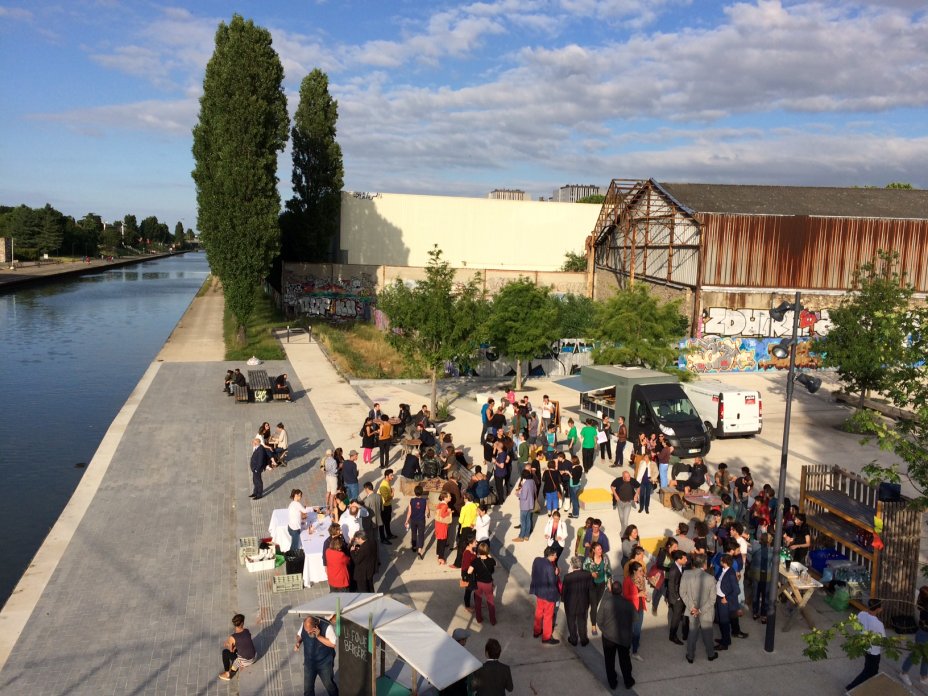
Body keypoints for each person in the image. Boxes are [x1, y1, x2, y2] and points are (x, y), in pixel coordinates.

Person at [679, 553, 719, 663]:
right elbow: (712, 599)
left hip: (692, 611)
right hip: (706, 612)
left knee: (692, 634)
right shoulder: (711, 578)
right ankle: (710, 654)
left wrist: (692, 607)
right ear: (704, 564)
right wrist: (700, 610)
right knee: (708, 634)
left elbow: (682, 593)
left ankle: (690, 656)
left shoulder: (686, 574)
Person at [597, 580, 636, 690]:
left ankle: (612, 682)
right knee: (625, 660)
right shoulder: (628, 604)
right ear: (621, 591)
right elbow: (635, 618)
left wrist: (604, 631)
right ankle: (628, 681)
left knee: (609, 661)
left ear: (611, 591)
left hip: (608, 638)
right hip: (624, 637)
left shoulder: (606, 603)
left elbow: (599, 620)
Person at [846, 599, 885, 691]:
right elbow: (882, 639)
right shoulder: (879, 624)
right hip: (874, 651)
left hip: (865, 646)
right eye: (881, 607)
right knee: (868, 671)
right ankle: (851, 687)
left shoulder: (861, 614)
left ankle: (871, 685)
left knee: (872, 669)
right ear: (878, 609)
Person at [295, 615, 339, 696]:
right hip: (309, 664)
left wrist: (319, 636)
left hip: (324, 664)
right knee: (308, 690)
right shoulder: (305, 625)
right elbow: (299, 635)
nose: (308, 633)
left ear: (316, 626)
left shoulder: (327, 627)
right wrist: (298, 642)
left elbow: (333, 644)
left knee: (329, 686)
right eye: (307, 631)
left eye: (310, 631)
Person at [530, 547, 562, 644]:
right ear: (550, 555)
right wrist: (556, 574)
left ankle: (537, 631)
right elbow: (553, 582)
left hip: (539, 591)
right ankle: (546, 637)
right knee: (548, 616)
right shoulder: (550, 567)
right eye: (555, 555)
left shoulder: (537, 560)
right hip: (549, 595)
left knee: (539, 611)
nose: (556, 557)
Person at [900, 586, 928, 686]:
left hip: (925, 634)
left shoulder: (925, 605)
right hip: (923, 635)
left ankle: (924, 676)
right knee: (915, 655)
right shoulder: (925, 610)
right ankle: (904, 672)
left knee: (926, 656)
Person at [562, 555, 593, 646]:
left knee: (571, 621)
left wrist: (564, 600)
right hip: (583, 603)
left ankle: (573, 639)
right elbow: (591, 589)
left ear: (572, 565)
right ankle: (583, 639)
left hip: (570, 604)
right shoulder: (587, 575)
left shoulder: (567, 577)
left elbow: (564, 592)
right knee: (582, 622)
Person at [584, 541, 612, 638]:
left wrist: (609, 583)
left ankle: (593, 614)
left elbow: (608, 571)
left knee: (596, 604)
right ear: (593, 550)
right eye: (598, 549)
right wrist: (590, 574)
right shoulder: (588, 560)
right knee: (594, 605)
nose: (601, 550)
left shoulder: (604, 558)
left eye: (601, 549)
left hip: (601, 584)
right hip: (592, 585)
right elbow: (584, 571)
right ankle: (593, 625)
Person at [218, 613, 256, 681]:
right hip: (254, 657)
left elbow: (231, 651)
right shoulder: (246, 630)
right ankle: (238, 665)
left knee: (225, 652)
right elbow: (246, 640)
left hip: (245, 661)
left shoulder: (232, 637)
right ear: (242, 623)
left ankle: (227, 674)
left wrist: (229, 644)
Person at [622, 560, 647, 661]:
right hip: (632, 608)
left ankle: (634, 644)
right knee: (635, 631)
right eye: (640, 571)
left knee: (637, 629)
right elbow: (625, 596)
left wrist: (645, 596)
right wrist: (638, 595)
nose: (642, 573)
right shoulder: (628, 580)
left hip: (640, 607)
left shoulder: (641, 579)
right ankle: (634, 652)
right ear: (634, 571)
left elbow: (642, 592)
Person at [467, 541, 497, 625]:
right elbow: (495, 564)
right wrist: (489, 556)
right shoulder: (491, 561)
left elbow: (469, 571)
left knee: (478, 601)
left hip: (479, 583)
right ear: (487, 551)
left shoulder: (475, 561)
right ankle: (493, 620)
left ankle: (479, 618)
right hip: (488, 583)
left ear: (478, 551)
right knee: (490, 601)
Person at [714, 553, 739, 651]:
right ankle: (725, 639)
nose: (719, 561)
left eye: (721, 560)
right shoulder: (724, 570)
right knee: (720, 620)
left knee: (724, 622)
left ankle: (725, 644)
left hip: (723, 601)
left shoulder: (731, 573)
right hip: (719, 598)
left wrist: (726, 598)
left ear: (724, 562)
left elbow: (736, 590)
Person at [666, 549, 690, 644]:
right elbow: (671, 585)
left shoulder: (680, 567)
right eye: (684, 559)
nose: (686, 560)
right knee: (676, 617)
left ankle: (685, 633)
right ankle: (672, 636)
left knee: (685, 615)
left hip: (682, 595)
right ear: (678, 559)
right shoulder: (673, 570)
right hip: (678, 598)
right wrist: (677, 598)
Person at [440, 628, 473, 696]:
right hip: (457, 688)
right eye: (465, 639)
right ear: (461, 640)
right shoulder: (462, 654)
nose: (466, 641)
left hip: (445, 686)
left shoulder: (447, 648)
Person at [611, 470, 639, 537]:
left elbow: (639, 486)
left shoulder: (632, 480)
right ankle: (623, 529)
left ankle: (624, 534)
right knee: (621, 518)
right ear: (623, 477)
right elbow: (612, 486)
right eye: (627, 477)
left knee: (625, 521)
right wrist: (616, 495)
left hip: (628, 503)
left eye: (629, 476)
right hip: (620, 503)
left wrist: (636, 495)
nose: (629, 478)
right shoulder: (618, 480)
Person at [405, 484, 430, 559]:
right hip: (421, 520)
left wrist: (406, 520)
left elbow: (409, 512)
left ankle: (414, 546)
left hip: (413, 520)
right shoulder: (424, 501)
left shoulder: (411, 501)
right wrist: (428, 514)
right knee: (421, 534)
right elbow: (427, 510)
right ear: (422, 492)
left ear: (415, 492)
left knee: (414, 533)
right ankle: (420, 550)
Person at [512, 470, 537, 543]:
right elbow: (535, 490)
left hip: (524, 505)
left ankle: (521, 536)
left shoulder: (525, 484)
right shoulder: (532, 481)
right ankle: (527, 535)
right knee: (528, 520)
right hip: (531, 504)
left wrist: (517, 493)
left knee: (523, 521)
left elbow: (523, 496)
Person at [461, 536, 479, 612]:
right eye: (475, 542)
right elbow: (468, 565)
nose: (477, 543)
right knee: (469, 590)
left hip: (471, 572)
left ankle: (477, 603)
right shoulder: (467, 553)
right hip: (468, 573)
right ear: (470, 543)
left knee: (475, 588)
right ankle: (467, 606)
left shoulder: (471, 550)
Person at [435, 491, 453, 564]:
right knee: (443, 541)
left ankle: (438, 553)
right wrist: (449, 512)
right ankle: (441, 558)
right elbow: (443, 515)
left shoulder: (440, 504)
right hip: (443, 526)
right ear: (445, 498)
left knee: (439, 540)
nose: (450, 497)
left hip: (438, 524)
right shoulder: (445, 506)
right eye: (449, 496)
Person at [378, 469, 397, 540]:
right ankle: (383, 538)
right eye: (391, 475)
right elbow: (386, 498)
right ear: (386, 476)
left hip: (387, 506)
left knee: (387, 521)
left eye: (392, 475)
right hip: (384, 507)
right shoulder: (383, 486)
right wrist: (392, 494)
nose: (393, 477)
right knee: (382, 523)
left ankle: (389, 534)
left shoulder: (387, 482)